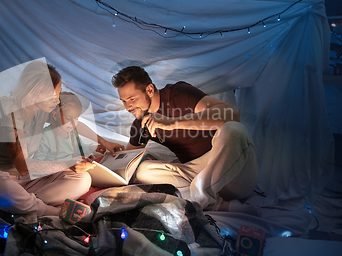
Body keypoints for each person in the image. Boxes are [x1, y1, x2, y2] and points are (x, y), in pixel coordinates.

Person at [0, 60, 122, 218]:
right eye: (52, 95)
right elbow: (23, 166)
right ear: (35, 92)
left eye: (59, 92)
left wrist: (104, 142)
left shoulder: (42, 108)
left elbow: (69, 119)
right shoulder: (10, 111)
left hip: (25, 183)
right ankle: (53, 211)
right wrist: (68, 164)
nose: (57, 100)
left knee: (83, 179)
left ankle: (23, 205)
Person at [111, 66, 260, 214]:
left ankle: (199, 197)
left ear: (149, 90)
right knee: (143, 171)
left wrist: (172, 122)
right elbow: (127, 163)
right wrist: (108, 149)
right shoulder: (140, 123)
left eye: (132, 99)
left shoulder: (177, 93)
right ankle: (217, 205)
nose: (127, 107)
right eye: (124, 101)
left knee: (233, 129)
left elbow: (231, 114)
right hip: (197, 174)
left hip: (232, 174)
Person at [33, 92, 104, 165]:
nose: (73, 123)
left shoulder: (71, 132)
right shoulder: (46, 136)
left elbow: (79, 148)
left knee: (100, 157)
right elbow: (38, 162)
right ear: (55, 115)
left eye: (76, 119)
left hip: (71, 166)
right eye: (68, 118)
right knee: (84, 176)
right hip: (55, 171)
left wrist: (92, 147)